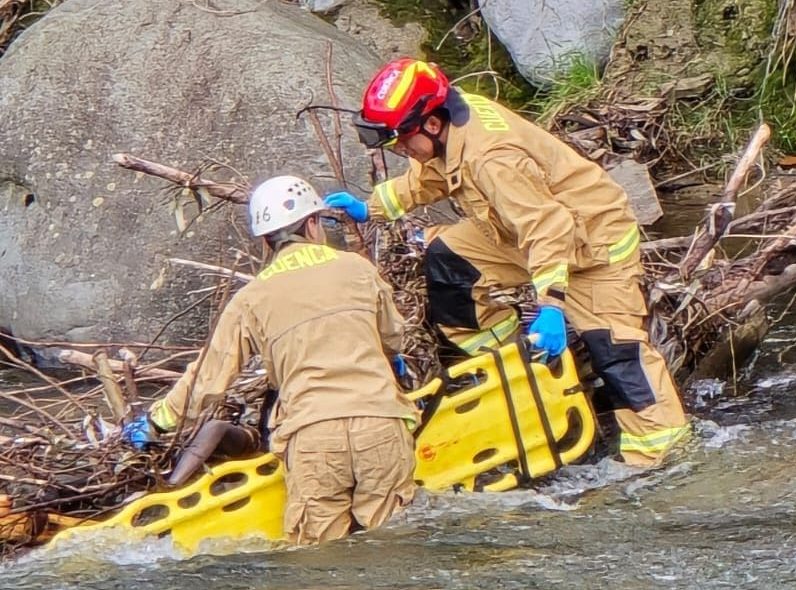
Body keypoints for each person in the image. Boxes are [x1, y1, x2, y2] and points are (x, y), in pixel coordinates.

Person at [325, 58, 689, 467]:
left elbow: (548, 227)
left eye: (401, 140)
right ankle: (518, 373)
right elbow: (434, 172)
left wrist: (551, 305)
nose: (399, 149)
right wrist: (372, 208)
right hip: (513, 230)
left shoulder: (491, 158)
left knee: (617, 352)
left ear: (430, 123)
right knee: (451, 270)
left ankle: (664, 458)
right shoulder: (453, 126)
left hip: (592, 247)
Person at [123, 175, 418, 544]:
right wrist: (391, 359)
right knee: (392, 546)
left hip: (313, 436)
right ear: (312, 224)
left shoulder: (253, 297)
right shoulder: (358, 269)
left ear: (265, 240)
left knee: (321, 563)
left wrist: (156, 423)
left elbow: (208, 380)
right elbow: (393, 335)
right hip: (381, 423)